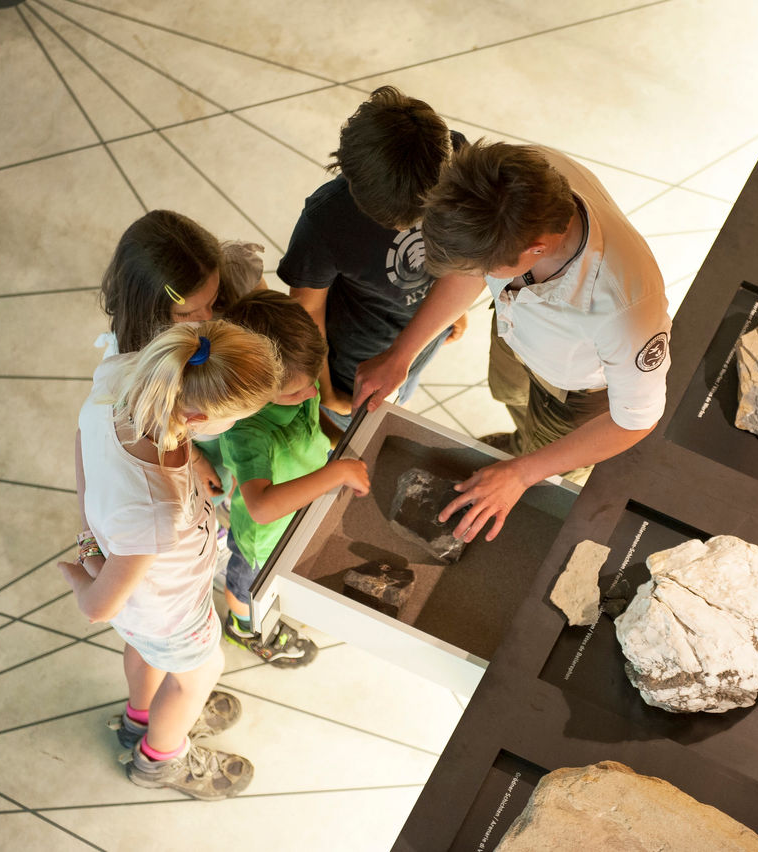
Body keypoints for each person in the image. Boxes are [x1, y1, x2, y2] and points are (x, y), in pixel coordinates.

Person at [353, 141, 672, 544]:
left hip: (572, 394)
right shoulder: (514, 177)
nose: (482, 275)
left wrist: (523, 473)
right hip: (515, 336)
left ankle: (522, 457)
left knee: (540, 466)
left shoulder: (627, 311)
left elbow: (635, 420)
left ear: (535, 249)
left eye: (488, 268)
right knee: (510, 397)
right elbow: (472, 267)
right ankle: (520, 442)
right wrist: (402, 353)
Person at [58, 320, 282, 800]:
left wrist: (89, 535)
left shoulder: (121, 376)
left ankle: (140, 716)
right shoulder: (156, 505)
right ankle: (161, 757)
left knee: (144, 649)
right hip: (169, 610)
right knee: (198, 674)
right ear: (200, 418)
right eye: (237, 418)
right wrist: (80, 571)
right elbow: (98, 608)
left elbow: (81, 441)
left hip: (146, 607)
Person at [278, 86, 467, 428]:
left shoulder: (460, 163)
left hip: (425, 333)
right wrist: (326, 392)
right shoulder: (325, 221)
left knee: (403, 390)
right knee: (357, 427)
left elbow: (469, 248)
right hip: (358, 359)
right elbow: (306, 314)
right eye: (391, 220)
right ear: (348, 176)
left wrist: (454, 305)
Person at [218, 290, 371, 663]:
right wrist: (335, 472)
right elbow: (262, 507)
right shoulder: (246, 429)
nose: (308, 395)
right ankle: (242, 627)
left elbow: (313, 419)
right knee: (246, 583)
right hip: (263, 539)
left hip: (301, 507)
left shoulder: (298, 380)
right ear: (251, 388)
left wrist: (339, 449)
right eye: (292, 393)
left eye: (311, 384)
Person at [97, 208, 267, 500]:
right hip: (202, 439)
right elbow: (156, 424)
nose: (207, 317)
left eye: (213, 300)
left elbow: (271, 321)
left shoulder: (237, 273)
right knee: (220, 489)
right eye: (186, 313)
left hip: (253, 402)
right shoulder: (132, 358)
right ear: (150, 308)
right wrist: (198, 461)